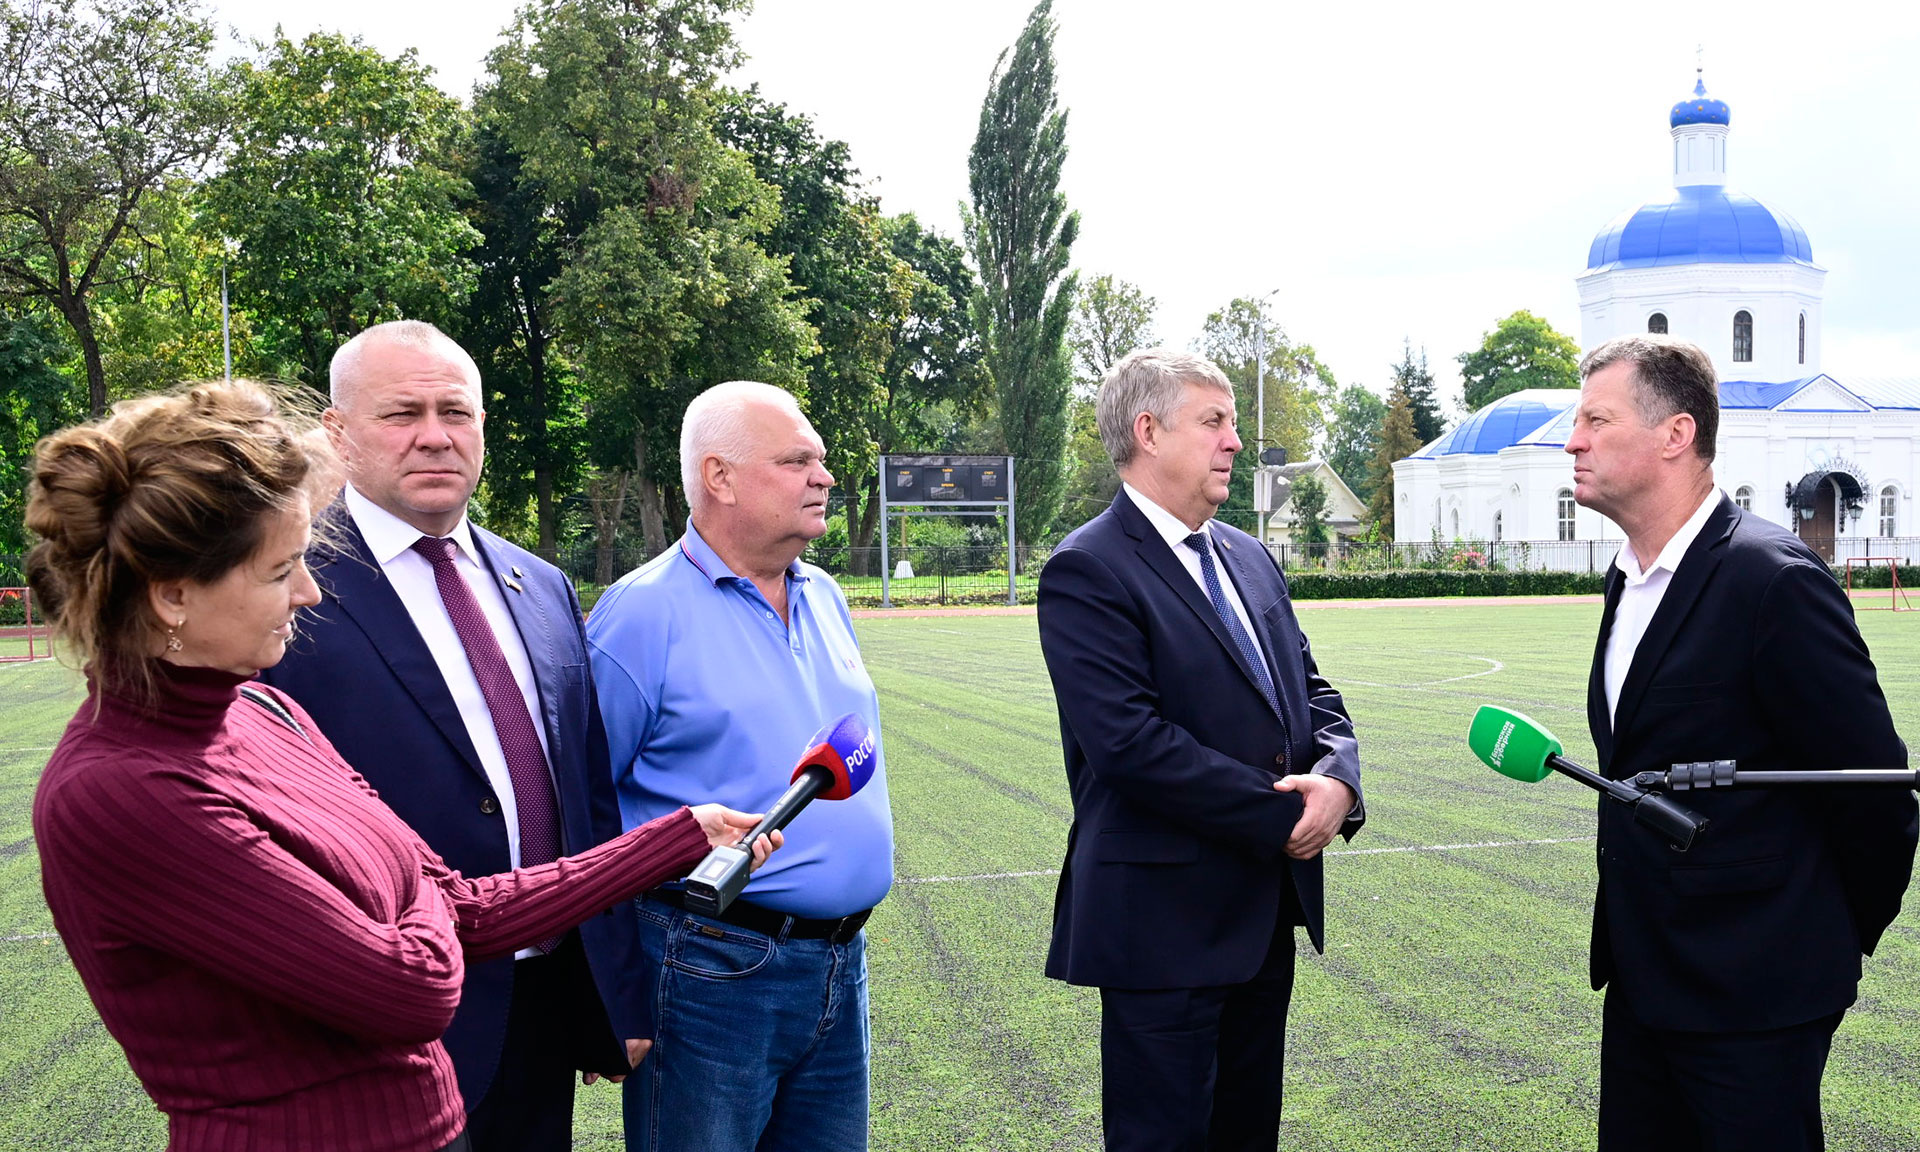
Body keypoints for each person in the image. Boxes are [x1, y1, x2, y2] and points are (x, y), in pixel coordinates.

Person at [27, 379, 776, 1152]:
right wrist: (421, 895)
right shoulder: (123, 790)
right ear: (172, 596)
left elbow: (466, 907)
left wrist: (679, 837)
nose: (309, 592)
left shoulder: (262, 712)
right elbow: (412, 990)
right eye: (281, 571)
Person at [257, 321, 649, 1149]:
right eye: (402, 413)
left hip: (543, 1005)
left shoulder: (541, 583)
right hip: (381, 1018)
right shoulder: (286, 588)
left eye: (455, 412)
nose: (434, 436)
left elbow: (587, 797)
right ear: (337, 431)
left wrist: (613, 991)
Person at [1565, 334, 1917, 1152]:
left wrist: (1818, 946)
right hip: (1644, 985)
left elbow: (1875, 792)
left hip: (1758, 1002)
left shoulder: (1774, 580)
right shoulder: (1628, 577)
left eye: (1596, 420)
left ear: (1676, 434)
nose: (1573, 441)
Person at [1036, 348, 1365, 1151]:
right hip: (1162, 928)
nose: (1235, 442)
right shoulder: (1088, 568)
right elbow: (1130, 744)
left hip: (1262, 915)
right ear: (1148, 432)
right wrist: (1282, 815)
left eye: (1233, 422)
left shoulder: (1248, 556)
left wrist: (1338, 781)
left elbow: (1311, 691)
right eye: (1214, 421)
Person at [585, 380, 893, 1152]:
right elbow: (581, 809)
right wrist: (605, 987)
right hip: (707, 969)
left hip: (840, 965)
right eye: (797, 461)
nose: (824, 476)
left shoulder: (825, 594)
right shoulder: (641, 614)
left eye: (820, 460)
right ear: (718, 477)